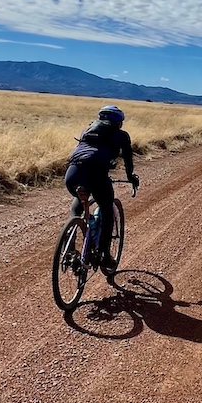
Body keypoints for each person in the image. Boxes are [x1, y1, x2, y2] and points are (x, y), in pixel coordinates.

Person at [64, 105, 138, 276]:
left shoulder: (87, 130)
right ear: (118, 122)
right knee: (106, 209)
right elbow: (128, 158)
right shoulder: (121, 135)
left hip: (72, 173)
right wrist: (131, 176)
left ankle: (69, 248)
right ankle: (104, 254)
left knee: (78, 205)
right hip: (97, 173)